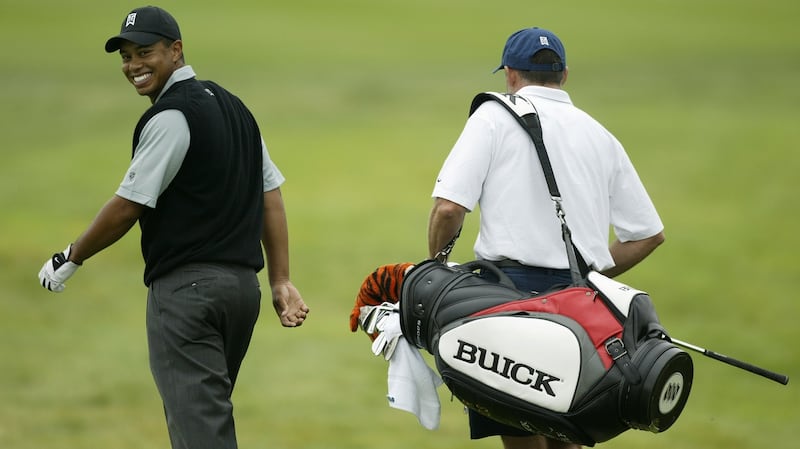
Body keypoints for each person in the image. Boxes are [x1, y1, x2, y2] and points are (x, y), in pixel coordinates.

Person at [37, 6, 309, 449]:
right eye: (125, 57)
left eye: (145, 52)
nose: (134, 66)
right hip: (241, 294)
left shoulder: (171, 117)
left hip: (188, 296)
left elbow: (128, 206)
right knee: (206, 422)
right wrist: (279, 279)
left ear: (176, 51)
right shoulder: (236, 108)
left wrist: (71, 256)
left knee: (201, 435)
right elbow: (270, 194)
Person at [427, 27, 665, 449]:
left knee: (518, 430)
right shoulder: (598, 134)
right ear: (564, 75)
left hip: (508, 299)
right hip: (583, 303)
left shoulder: (494, 116)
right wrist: (591, 272)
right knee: (567, 432)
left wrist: (437, 267)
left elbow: (449, 208)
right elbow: (646, 235)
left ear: (511, 74)